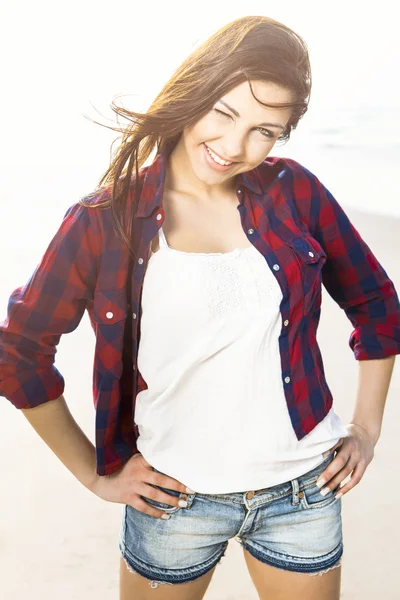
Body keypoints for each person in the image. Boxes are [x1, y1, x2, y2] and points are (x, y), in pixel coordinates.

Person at [1, 14, 399, 600]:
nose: (236, 147)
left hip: (302, 493)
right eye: (226, 112)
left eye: (266, 130)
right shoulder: (104, 220)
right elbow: (18, 353)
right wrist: (93, 474)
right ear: (196, 89)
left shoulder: (296, 192)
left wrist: (366, 428)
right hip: (173, 501)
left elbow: (376, 304)